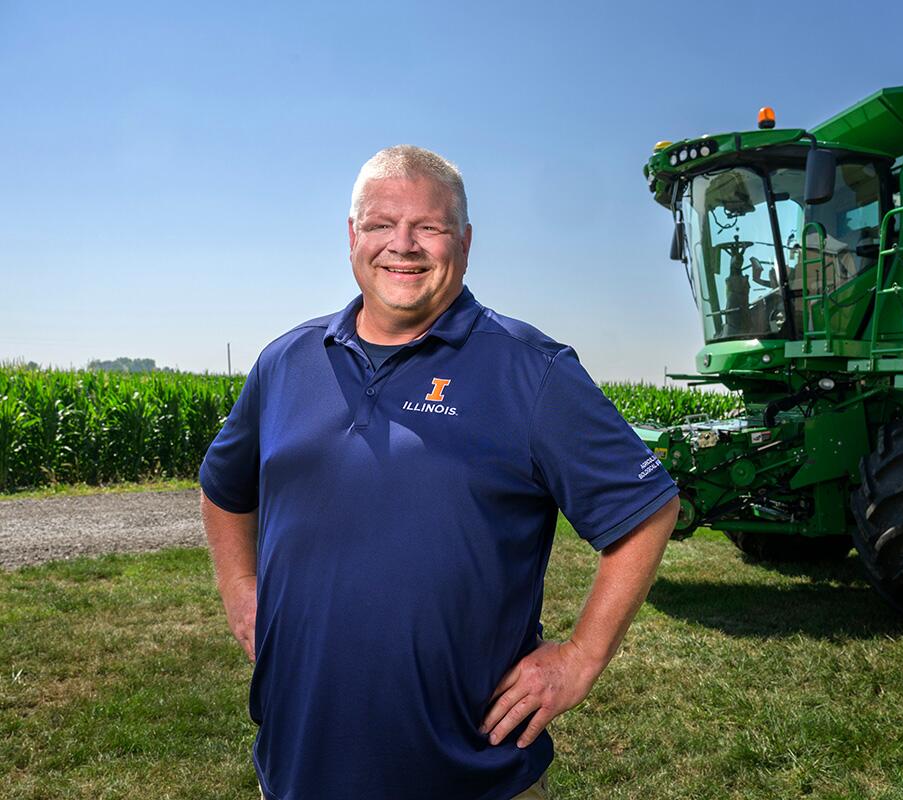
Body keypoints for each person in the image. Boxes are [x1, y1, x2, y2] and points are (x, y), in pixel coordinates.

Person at [199, 145, 680, 800]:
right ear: (352, 236)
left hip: (466, 776)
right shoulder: (286, 362)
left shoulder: (529, 370)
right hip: (294, 768)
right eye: (380, 224)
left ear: (465, 241)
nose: (404, 246)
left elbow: (645, 509)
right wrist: (240, 586)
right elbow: (224, 487)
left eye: (428, 227)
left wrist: (582, 657)